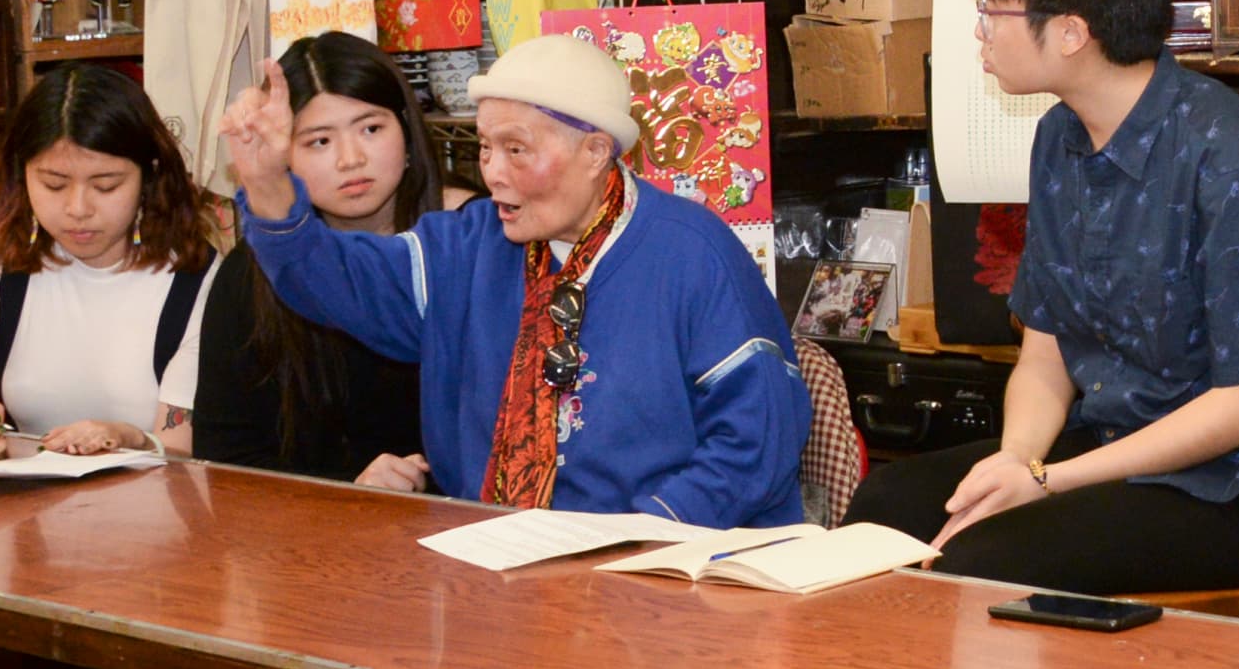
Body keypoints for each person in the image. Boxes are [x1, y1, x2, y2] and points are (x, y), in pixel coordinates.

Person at [843, 0, 1239, 594]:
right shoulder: (1059, 138)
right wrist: (1018, 461)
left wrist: (1047, 480)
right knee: (883, 513)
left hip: (1234, 485)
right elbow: (1045, 358)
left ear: (1072, 32)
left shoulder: (1230, 155)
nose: (978, 30)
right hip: (1110, 447)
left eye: (992, 9)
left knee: (987, 563)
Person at [220, 33, 811, 528]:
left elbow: (755, 444)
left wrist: (638, 540)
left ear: (595, 151)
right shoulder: (468, 245)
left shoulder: (691, 253)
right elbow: (335, 281)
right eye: (485, 149)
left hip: (666, 571)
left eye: (517, 150)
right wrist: (269, 184)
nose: (494, 174)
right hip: (494, 563)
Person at [193, 32, 476, 489]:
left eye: (371, 128)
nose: (351, 160)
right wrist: (348, 487)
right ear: (282, 155)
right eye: (319, 141)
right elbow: (224, 455)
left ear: (406, 128)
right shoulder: (255, 268)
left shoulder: (472, 239)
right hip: (317, 535)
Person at [0, 63, 219, 462]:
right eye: (53, 184)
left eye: (106, 185)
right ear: (22, 174)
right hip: (30, 503)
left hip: (150, 506)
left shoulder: (195, 274)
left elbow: (179, 449)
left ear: (150, 175)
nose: (77, 209)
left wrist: (128, 437)